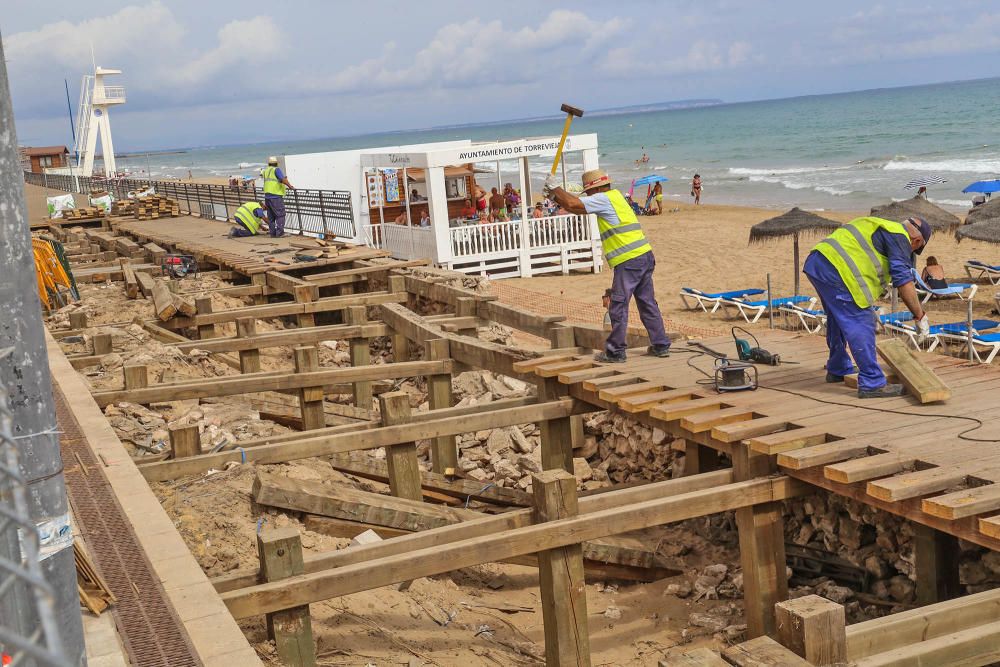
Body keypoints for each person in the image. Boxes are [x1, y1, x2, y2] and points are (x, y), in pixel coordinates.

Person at [544, 168, 671, 362]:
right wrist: (555, 195)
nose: (588, 197)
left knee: (618, 306)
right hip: (643, 255)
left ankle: (616, 351)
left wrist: (555, 187)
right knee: (647, 302)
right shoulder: (615, 197)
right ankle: (661, 344)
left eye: (588, 193)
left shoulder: (604, 198)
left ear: (595, 189)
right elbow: (575, 208)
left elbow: (572, 203)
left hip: (628, 259)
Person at [804, 216, 933, 398]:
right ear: (917, 240)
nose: (909, 253)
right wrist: (919, 316)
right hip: (838, 271)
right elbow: (903, 280)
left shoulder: (878, 224)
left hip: (817, 262)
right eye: (914, 250)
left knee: (837, 317)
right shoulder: (899, 237)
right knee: (862, 321)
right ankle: (872, 382)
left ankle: (838, 367)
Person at [262, 156, 294, 237]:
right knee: (280, 214)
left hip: (267, 196)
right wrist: (290, 186)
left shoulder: (265, 171)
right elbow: (282, 179)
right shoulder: (276, 169)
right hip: (275, 196)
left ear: (269, 163)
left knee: (271, 216)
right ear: (276, 163)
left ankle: (272, 233)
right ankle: (280, 233)